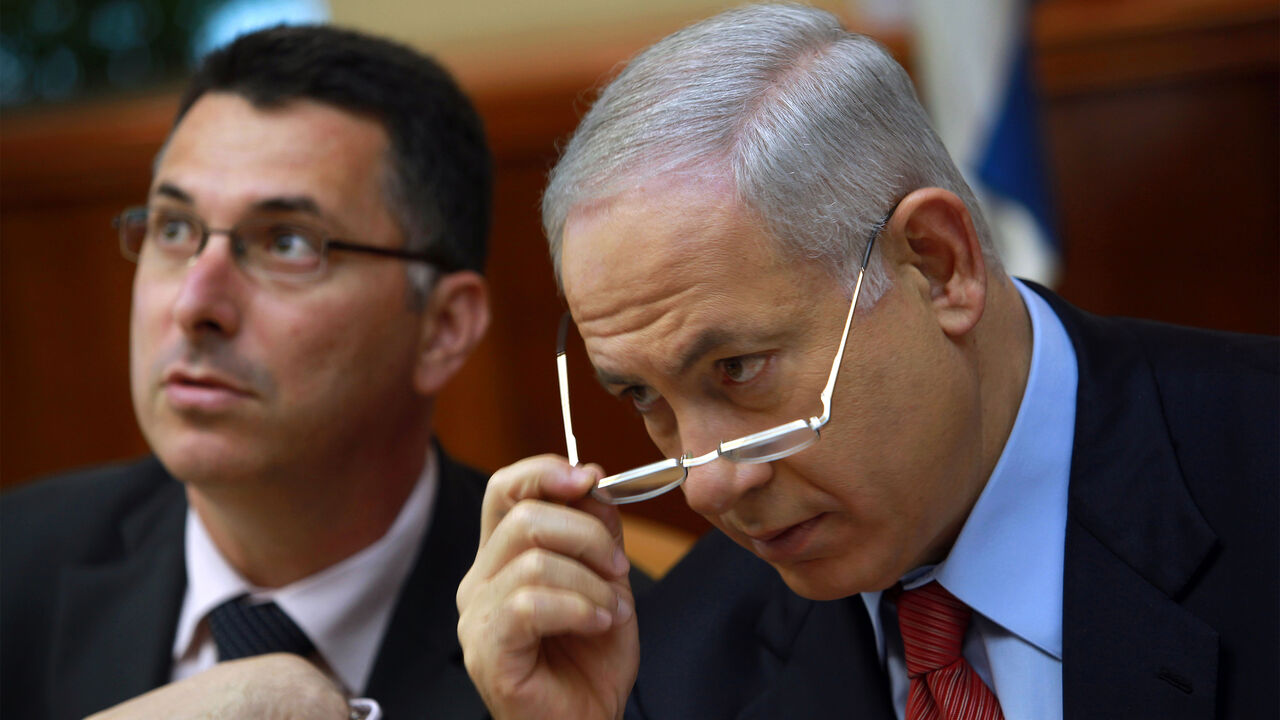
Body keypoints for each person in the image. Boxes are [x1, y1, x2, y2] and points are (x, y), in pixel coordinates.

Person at [455, 4, 1278, 719]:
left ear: (937, 264)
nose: (706, 486)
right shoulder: (675, 661)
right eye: (641, 395)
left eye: (739, 369)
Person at [2, 24, 493, 720]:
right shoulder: (15, 566)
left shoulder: (594, 652)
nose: (195, 304)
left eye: (287, 243)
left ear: (443, 328)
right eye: (174, 229)